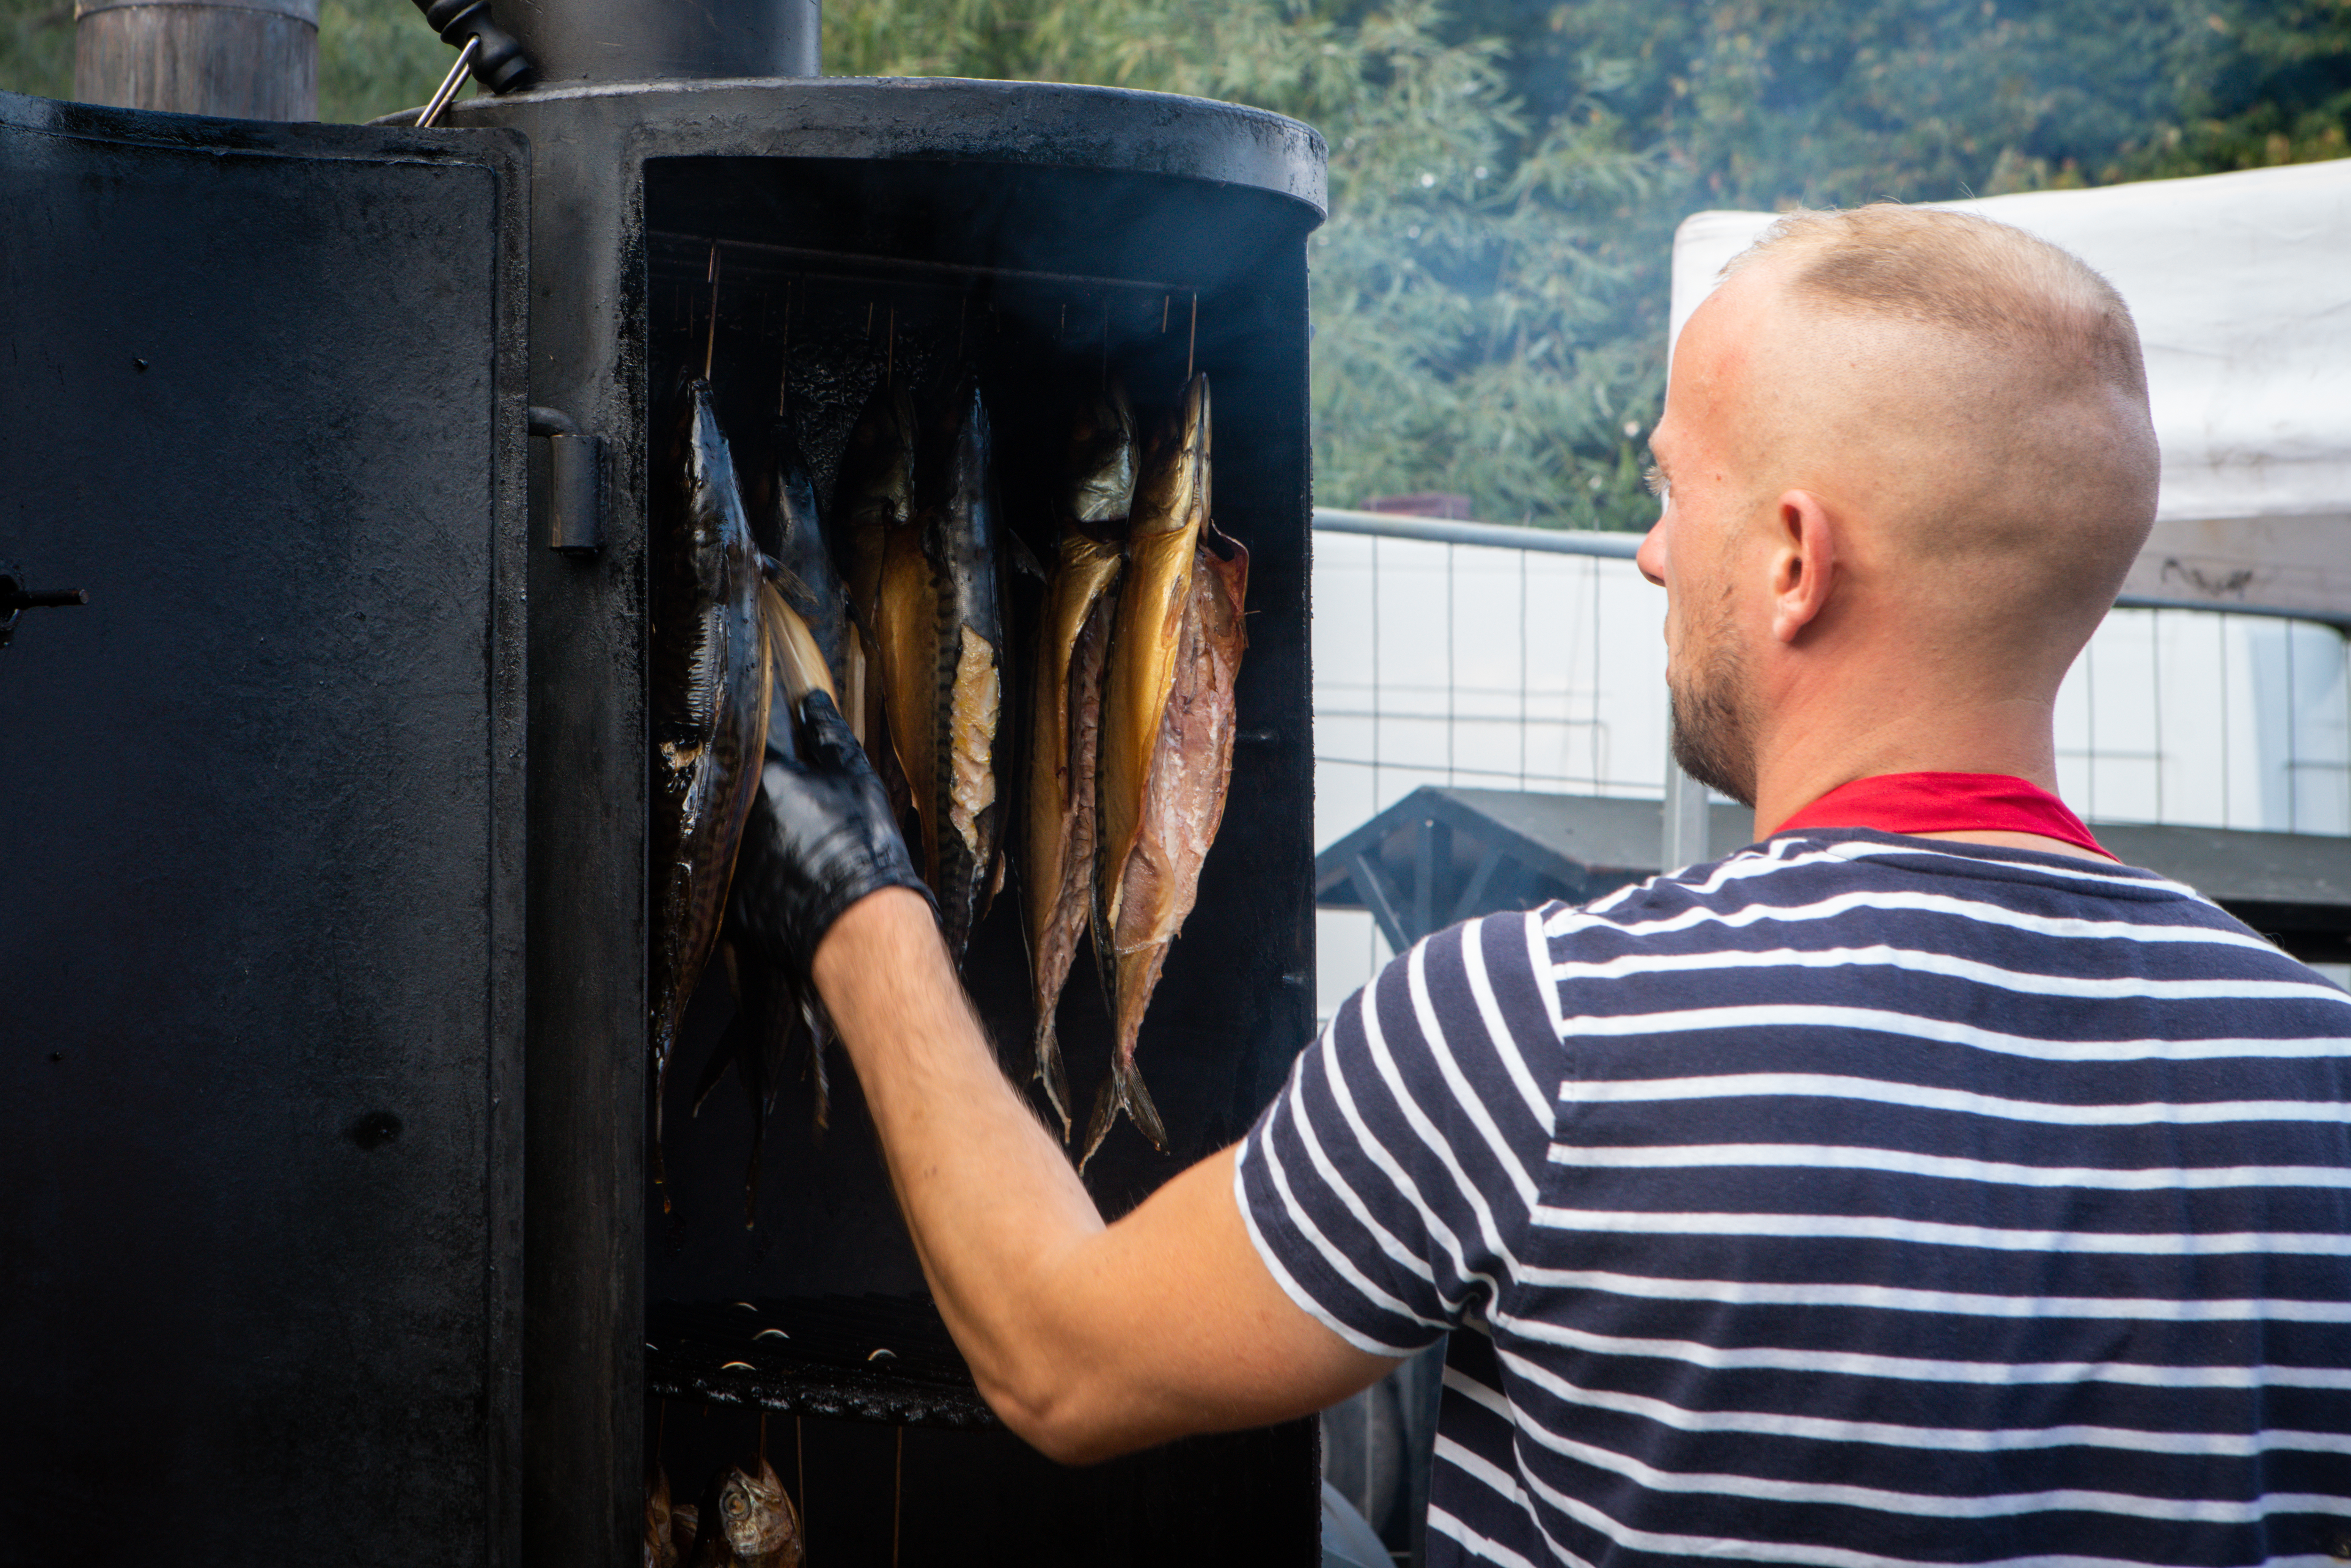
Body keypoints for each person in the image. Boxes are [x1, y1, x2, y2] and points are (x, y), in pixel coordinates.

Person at [731, 204, 2351, 1566]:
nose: (1653, 553)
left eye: (1669, 488)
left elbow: (1059, 1357)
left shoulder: (1550, 1029)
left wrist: (862, 898)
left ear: (1795, 559)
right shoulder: (2316, 1078)